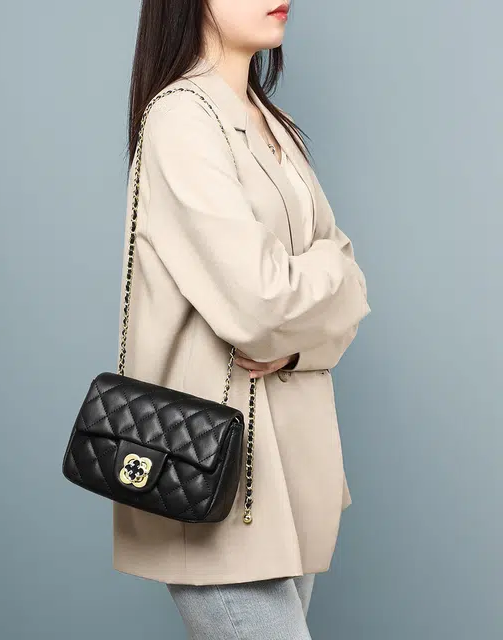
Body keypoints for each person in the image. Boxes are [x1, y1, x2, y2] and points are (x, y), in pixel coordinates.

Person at [113, 0, 371, 637]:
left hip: (289, 478)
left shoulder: (270, 121)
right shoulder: (180, 118)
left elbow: (351, 284)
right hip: (213, 479)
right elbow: (260, 303)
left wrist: (296, 344)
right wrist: (325, 279)